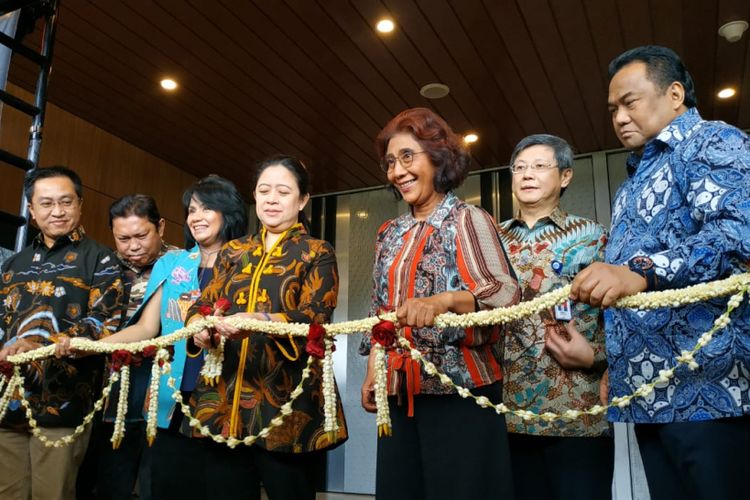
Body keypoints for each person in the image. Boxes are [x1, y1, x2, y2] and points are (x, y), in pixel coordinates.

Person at [571, 45, 750, 500]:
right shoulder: (631, 185)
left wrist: (641, 270)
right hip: (652, 392)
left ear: (674, 94)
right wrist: (616, 359)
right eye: (612, 109)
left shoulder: (711, 140)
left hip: (714, 389)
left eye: (629, 102)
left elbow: (739, 234)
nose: (618, 116)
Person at [359, 107, 520, 500]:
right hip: (399, 391)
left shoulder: (469, 219)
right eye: (391, 162)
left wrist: (443, 301)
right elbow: (379, 310)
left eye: (408, 157)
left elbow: (505, 292)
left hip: (461, 393)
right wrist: (372, 372)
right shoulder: (388, 232)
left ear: (437, 157)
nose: (398, 171)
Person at [58, 175, 248, 499]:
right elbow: (146, 328)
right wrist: (89, 346)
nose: (196, 217)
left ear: (228, 213)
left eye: (207, 209)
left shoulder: (249, 262)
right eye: (191, 210)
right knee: (166, 485)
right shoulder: (172, 262)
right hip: (171, 393)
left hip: (228, 393)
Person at [187, 155, 347, 500]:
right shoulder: (233, 250)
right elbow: (204, 302)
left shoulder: (316, 251)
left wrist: (261, 321)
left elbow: (316, 317)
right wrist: (199, 324)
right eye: (264, 190)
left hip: (285, 399)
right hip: (225, 396)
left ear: (302, 199)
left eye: (283, 191)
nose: (271, 199)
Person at [497, 134, 612, 500]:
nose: (527, 175)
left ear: (564, 177)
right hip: (503, 415)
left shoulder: (593, 237)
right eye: (519, 168)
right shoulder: (491, 239)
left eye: (539, 166)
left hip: (576, 413)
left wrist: (598, 358)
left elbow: (622, 318)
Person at [0, 166, 125, 500]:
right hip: (7, 405)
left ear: (80, 204)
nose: (57, 211)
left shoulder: (102, 259)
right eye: (46, 203)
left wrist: (40, 343)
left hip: (65, 405)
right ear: (31, 210)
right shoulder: (13, 265)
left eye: (65, 202)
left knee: (51, 495)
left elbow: (104, 323)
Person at [75, 194, 176, 500]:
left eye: (141, 236)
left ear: (160, 227)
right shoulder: (102, 266)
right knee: (108, 476)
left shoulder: (180, 264)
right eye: (123, 238)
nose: (133, 247)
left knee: (156, 480)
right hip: (105, 387)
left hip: (160, 384)